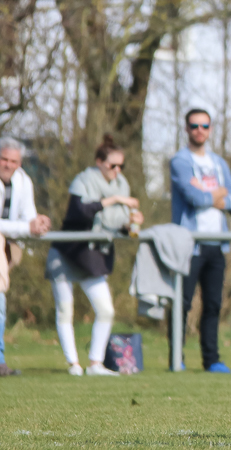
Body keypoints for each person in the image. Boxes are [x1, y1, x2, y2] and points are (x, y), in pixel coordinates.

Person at [46, 134, 144, 376]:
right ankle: (73, 364)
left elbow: (116, 223)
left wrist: (131, 222)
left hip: (93, 256)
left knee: (106, 310)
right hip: (67, 253)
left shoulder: (122, 185)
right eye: (113, 165)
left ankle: (95, 364)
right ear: (99, 162)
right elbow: (81, 212)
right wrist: (115, 199)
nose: (117, 171)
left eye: (121, 166)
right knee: (65, 311)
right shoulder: (84, 180)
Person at [169, 109, 231, 373]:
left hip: (216, 243)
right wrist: (218, 193)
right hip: (189, 244)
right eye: (194, 125)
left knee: (212, 304)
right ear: (187, 128)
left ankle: (211, 360)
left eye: (205, 125)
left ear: (210, 129)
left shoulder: (218, 163)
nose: (200, 130)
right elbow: (194, 198)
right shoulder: (180, 161)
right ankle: (176, 358)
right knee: (182, 302)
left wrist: (208, 193)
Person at [0, 137, 52, 376]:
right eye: (4, 159)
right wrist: (26, 228)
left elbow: (28, 217)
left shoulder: (23, 181)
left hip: (9, 248)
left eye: (14, 161)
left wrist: (38, 223)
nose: (8, 165)